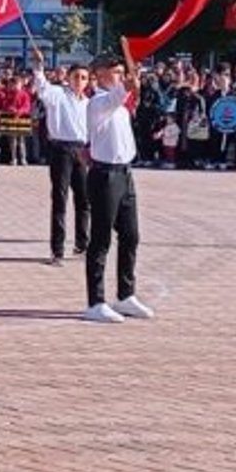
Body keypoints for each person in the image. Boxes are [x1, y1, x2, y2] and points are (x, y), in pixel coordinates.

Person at [83, 55, 152, 324]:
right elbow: (116, 98)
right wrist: (129, 85)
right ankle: (95, 302)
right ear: (99, 75)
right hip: (104, 176)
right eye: (115, 72)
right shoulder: (97, 102)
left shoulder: (120, 106)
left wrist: (133, 84)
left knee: (131, 235)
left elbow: (125, 98)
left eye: (122, 72)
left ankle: (125, 295)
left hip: (125, 174)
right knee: (100, 240)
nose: (120, 76)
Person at [31, 48, 90, 264]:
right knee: (60, 199)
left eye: (84, 78)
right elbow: (41, 86)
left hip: (82, 151)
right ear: (68, 77)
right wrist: (39, 66)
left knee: (84, 200)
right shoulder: (57, 94)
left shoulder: (88, 102)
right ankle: (57, 250)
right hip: (61, 150)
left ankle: (82, 245)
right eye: (76, 77)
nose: (80, 81)